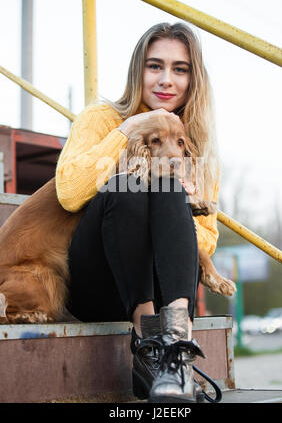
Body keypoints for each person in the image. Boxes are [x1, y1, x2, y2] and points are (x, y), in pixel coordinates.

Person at [55, 22, 220, 403]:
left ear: (194, 79)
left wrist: (179, 200)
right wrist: (129, 128)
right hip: (100, 281)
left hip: (165, 292)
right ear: (137, 71)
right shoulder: (103, 118)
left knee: (165, 181)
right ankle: (148, 344)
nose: (166, 80)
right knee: (128, 187)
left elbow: (206, 241)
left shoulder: (193, 142)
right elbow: (69, 193)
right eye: (154, 66)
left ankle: (175, 348)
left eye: (180, 69)